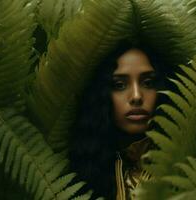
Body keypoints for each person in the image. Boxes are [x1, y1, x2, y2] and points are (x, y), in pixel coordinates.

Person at [69, 42, 167, 200]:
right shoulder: (83, 172)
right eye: (120, 85)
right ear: (103, 94)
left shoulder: (183, 163)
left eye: (147, 83)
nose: (136, 96)